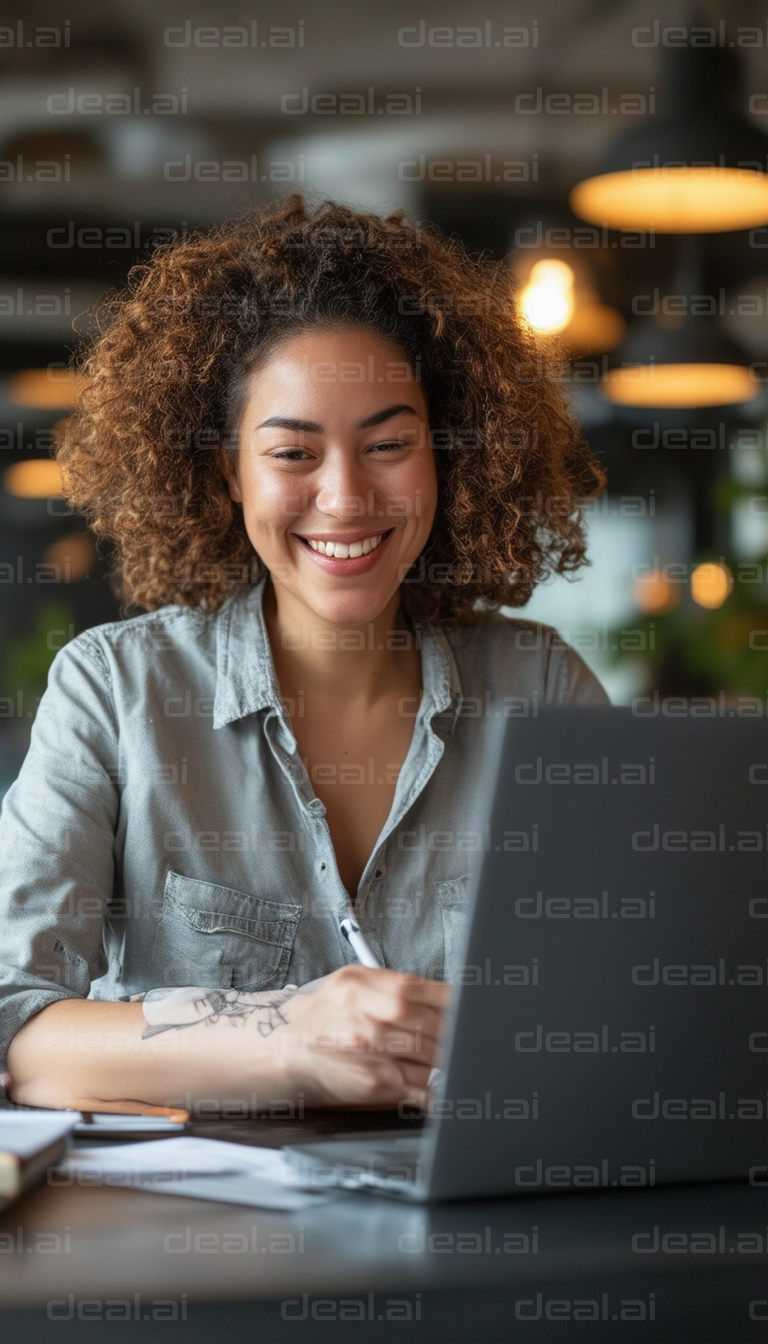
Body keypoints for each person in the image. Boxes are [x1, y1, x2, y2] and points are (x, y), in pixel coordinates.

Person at [0, 197, 607, 1116]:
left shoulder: (544, 687)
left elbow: (630, 1008)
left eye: (390, 445)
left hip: (493, 1228)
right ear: (226, 473)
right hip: (198, 1253)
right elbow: (21, 1033)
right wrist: (290, 1039)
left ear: (447, 457)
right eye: (293, 452)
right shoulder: (115, 689)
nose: (346, 496)